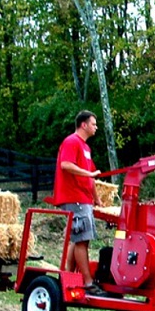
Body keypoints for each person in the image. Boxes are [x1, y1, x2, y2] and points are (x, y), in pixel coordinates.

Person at [51, 110, 107, 296]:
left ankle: (68, 277)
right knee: (82, 240)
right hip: (73, 197)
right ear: (83, 125)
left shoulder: (86, 148)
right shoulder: (71, 142)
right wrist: (89, 174)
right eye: (93, 123)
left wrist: (97, 199)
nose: (95, 127)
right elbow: (65, 165)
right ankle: (88, 282)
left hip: (84, 199)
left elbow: (90, 176)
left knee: (79, 239)